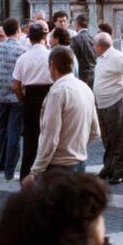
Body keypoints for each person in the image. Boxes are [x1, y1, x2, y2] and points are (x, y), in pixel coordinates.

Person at [26, 47, 100, 182]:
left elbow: (50, 137)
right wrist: (77, 147)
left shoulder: (57, 93)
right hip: (80, 161)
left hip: (58, 166)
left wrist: (34, 172)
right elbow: (95, 131)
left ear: (52, 65)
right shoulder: (85, 87)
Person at [92, 32, 123, 185]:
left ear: (100, 46)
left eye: (94, 45)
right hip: (102, 103)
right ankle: (109, 167)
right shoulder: (102, 57)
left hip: (114, 101)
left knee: (118, 138)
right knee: (107, 138)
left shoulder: (116, 56)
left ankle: (119, 172)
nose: (93, 47)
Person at [12, 21, 56, 180]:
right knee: (50, 136)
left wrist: (23, 100)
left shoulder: (23, 58)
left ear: (30, 39)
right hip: (49, 96)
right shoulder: (51, 56)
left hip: (30, 97)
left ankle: (26, 173)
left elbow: (15, 86)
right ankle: (48, 173)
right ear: (45, 38)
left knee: (30, 138)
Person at [0, 18, 26, 181]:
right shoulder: (23, 50)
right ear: (18, 31)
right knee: (14, 133)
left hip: (0, 96)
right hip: (17, 96)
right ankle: (9, 172)